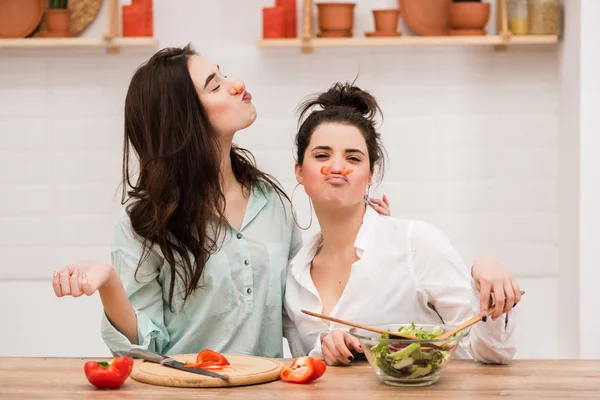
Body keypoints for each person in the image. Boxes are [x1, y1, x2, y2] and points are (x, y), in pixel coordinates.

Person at [50, 44, 390, 358]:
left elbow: (295, 314)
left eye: (223, 74)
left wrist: (372, 234)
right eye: (215, 85)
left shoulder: (271, 202)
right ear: (182, 118)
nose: (237, 84)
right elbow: (145, 348)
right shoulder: (144, 221)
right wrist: (109, 283)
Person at [283, 82, 521, 366]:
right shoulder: (294, 277)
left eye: (353, 158)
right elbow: (305, 370)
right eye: (322, 155)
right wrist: (324, 349)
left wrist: (486, 276)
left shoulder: (414, 243)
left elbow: (491, 353)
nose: (336, 167)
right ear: (299, 171)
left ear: (370, 175)